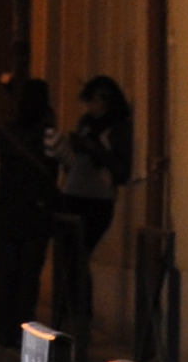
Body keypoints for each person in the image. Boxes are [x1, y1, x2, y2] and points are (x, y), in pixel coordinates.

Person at [50, 73, 133, 339]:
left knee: (79, 255)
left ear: (107, 101)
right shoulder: (85, 123)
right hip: (72, 193)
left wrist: (95, 149)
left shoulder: (118, 128)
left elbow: (121, 170)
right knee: (67, 257)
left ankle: (81, 316)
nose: (90, 107)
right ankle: (67, 314)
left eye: (94, 101)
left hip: (97, 199)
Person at [0, 73, 59, 348]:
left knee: (6, 270)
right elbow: (68, 159)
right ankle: (23, 325)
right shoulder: (49, 134)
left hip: (7, 211)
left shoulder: (4, 134)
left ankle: (3, 325)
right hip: (37, 212)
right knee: (29, 273)